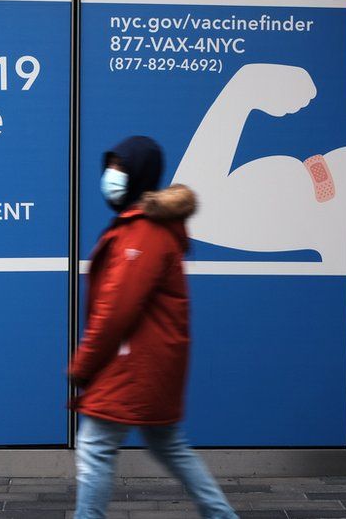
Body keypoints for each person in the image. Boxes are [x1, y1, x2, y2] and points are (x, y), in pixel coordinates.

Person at [68, 136, 239, 519]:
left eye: (121, 168)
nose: (111, 175)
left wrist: (83, 365)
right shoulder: (141, 227)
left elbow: (116, 309)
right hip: (148, 363)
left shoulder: (142, 232)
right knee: (168, 444)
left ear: (139, 175)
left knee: (95, 446)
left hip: (131, 364)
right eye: (110, 166)